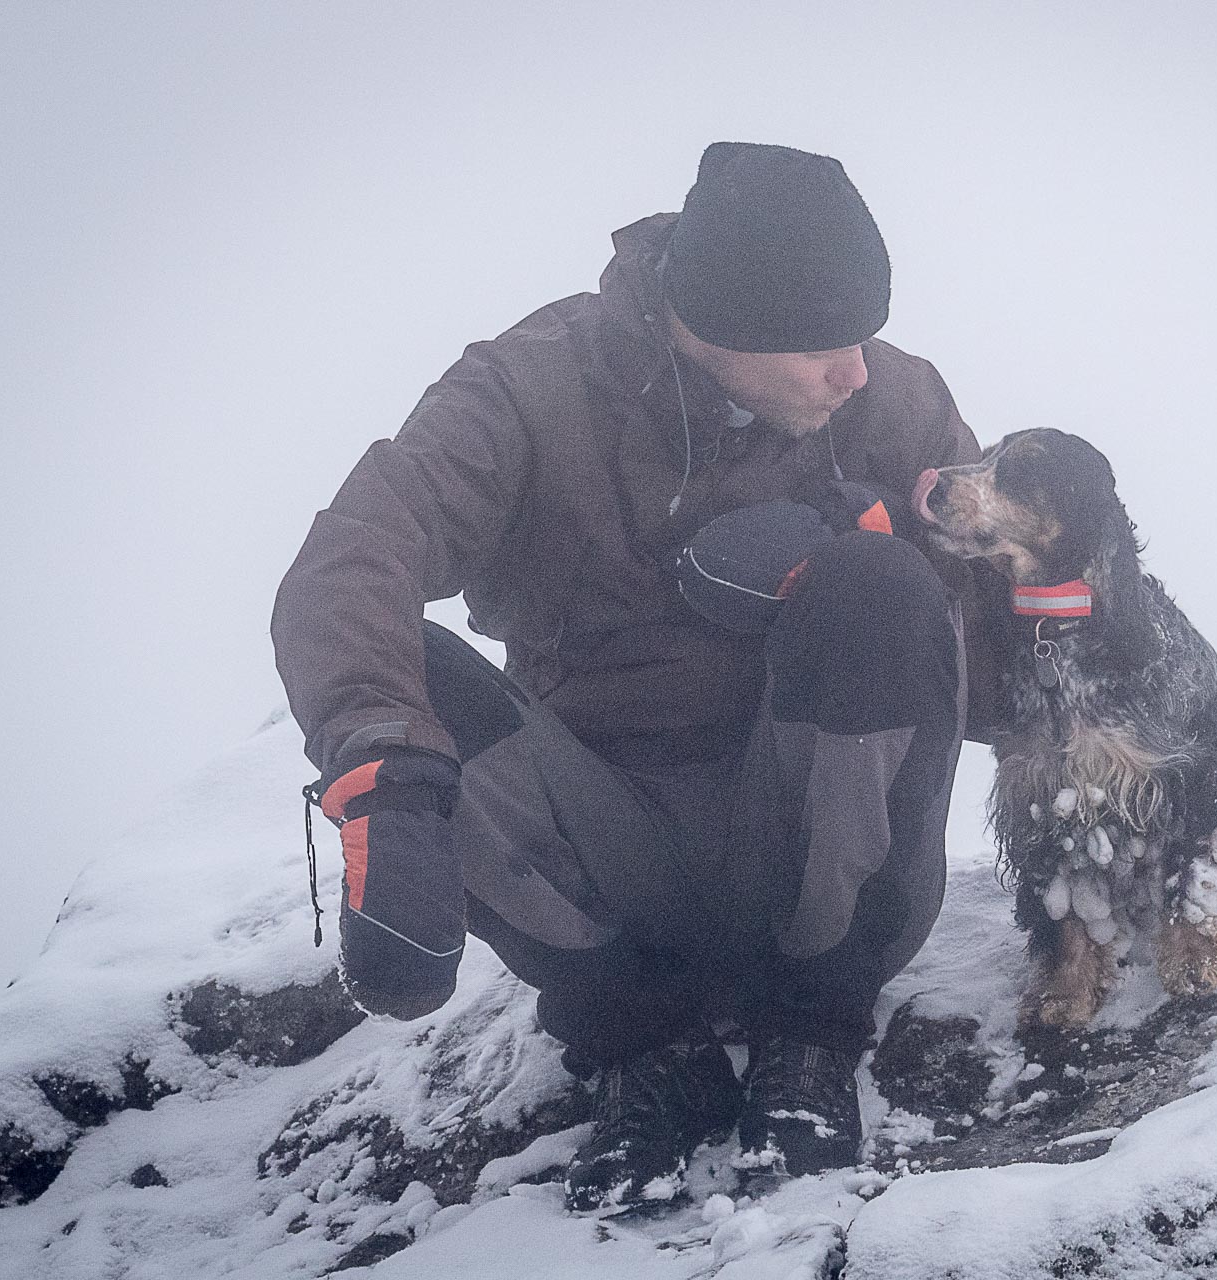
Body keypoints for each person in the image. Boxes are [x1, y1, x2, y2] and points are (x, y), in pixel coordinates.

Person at [271, 142, 999, 1211]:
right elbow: (354, 556)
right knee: (408, 676)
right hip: (610, 859)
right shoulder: (528, 386)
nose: (854, 369)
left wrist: (862, 531)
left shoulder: (889, 397)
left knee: (882, 584)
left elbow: (1001, 592)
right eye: (820, 343)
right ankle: (645, 1049)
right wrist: (384, 777)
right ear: (714, 324)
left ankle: (812, 1030)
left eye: (862, 334)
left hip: (815, 851)